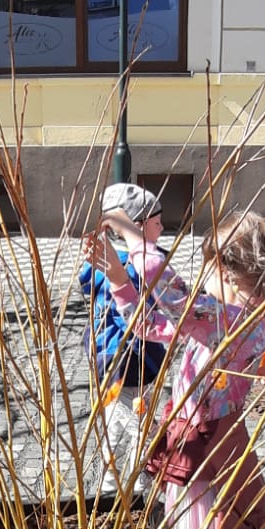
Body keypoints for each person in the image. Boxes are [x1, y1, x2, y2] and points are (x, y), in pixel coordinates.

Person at [89, 209, 265, 529]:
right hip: (192, 443)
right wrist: (118, 279)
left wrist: (134, 238)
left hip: (210, 452)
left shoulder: (235, 321)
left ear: (230, 273)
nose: (202, 280)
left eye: (209, 269)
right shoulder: (218, 318)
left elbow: (174, 294)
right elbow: (151, 325)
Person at [79, 182, 174, 486]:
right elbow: (148, 307)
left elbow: (86, 285)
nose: (162, 228)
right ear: (136, 226)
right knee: (135, 418)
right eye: (157, 223)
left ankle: (115, 476)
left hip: (109, 352)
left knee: (119, 413)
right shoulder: (136, 265)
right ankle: (134, 478)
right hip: (131, 354)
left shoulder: (101, 259)